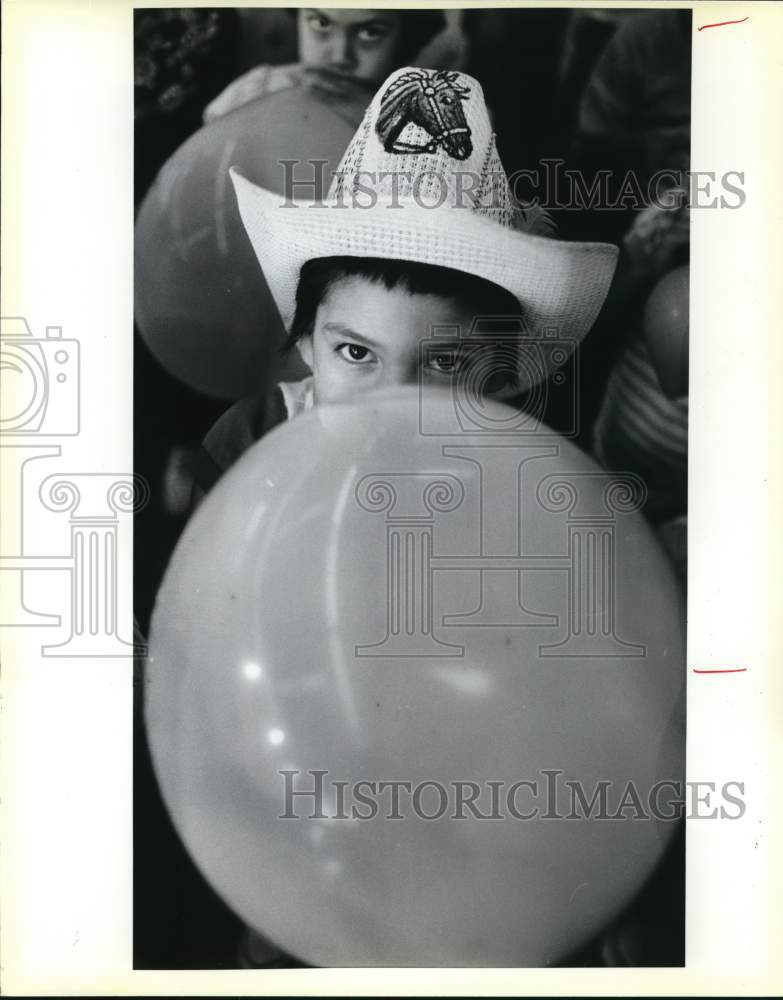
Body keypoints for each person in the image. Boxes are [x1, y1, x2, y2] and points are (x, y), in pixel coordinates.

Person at [192, 65, 617, 508]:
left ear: (499, 373)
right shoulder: (246, 444)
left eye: (446, 361)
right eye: (357, 352)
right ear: (305, 340)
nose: (390, 404)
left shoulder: (514, 490)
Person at [202, 8, 447, 123]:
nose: (340, 56)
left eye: (370, 33)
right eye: (320, 23)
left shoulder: (433, 112)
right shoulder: (257, 90)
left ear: (406, 36)